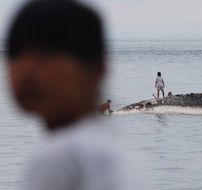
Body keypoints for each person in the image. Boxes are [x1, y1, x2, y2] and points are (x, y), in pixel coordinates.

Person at [6, 1, 139, 190]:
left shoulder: (59, 156)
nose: (26, 69)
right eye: (15, 54)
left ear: (95, 68)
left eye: (46, 54)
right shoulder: (111, 146)